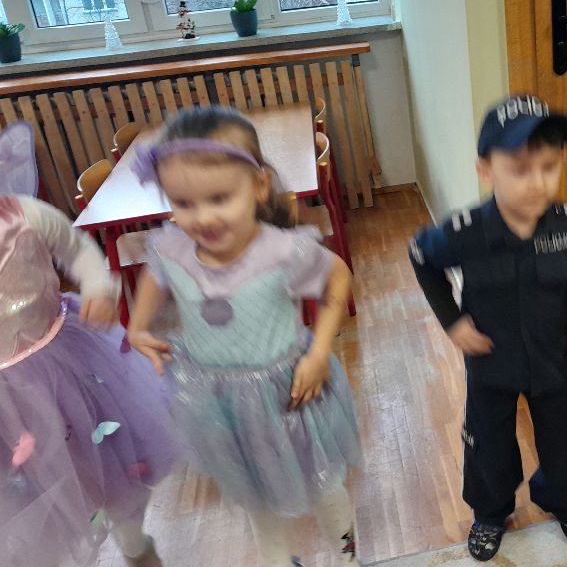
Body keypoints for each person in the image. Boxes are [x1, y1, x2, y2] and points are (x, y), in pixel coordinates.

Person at [126, 106, 361, 566]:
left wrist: (319, 352)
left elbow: (338, 276)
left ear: (258, 185)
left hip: (290, 393)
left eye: (219, 198)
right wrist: (138, 325)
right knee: (253, 496)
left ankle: (347, 559)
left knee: (323, 486)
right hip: (219, 404)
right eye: (184, 203)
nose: (203, 218)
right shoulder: (172, 247)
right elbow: (156, 273)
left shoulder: (282, 251)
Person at [409, 95, 567, 561]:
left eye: (549, 167)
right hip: (490, 362)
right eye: (519, 169)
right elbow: (420, 256)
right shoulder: (464, 232)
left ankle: (565, 501)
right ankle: (491, 512)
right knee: (488, 444)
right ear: (485, 170)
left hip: (554, 360)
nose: (537, 182)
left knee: (561, 440)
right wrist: (453, 320)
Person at [0, 120, 176, 567]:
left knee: (106, 463)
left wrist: (97, 285)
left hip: (65, 366)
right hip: (5, 402)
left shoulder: (23, 215)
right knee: (29, 492)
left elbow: (76, 249)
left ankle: (133, 544)